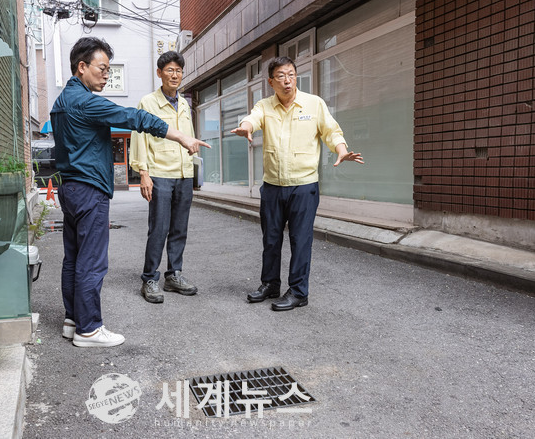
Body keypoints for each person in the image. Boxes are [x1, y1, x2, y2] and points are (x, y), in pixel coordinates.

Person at [51, 37, 209, 347]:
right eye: (102, 68)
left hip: (69, 188)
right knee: (92, 261)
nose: (106, 75)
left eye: (109, 70)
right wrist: (180, 137)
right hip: (89, 190)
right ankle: (89, 329)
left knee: (74, 258)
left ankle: (73, 320)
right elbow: (134, 118)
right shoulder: (85, 101)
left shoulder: (62, 101)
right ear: (81, 67)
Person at [231, 56, 363, 311]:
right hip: (272, 186)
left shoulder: (314, 104)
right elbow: (253, 118)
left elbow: (331, 131)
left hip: (303, 186)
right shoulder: (265, 105)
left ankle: (299, 292)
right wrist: (245, 127)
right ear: (271, 82)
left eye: (291, 74)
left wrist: (341, 150)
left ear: (296, 77)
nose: (287, 80)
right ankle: (270, 284)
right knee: (271, 239)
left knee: (300, 240)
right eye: (280, 76)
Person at [129, 51, 197, 304]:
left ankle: (173, 275)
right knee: (159, 228)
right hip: (159, 173)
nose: (175, 75)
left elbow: (188, 137)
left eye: (178, 70)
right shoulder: (147, 102)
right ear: (159, 73)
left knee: (179, 228)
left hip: (184, 173)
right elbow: (139, 138)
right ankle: (149, 278)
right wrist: (143, 173)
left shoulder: (185, 104)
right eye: (169, 70)